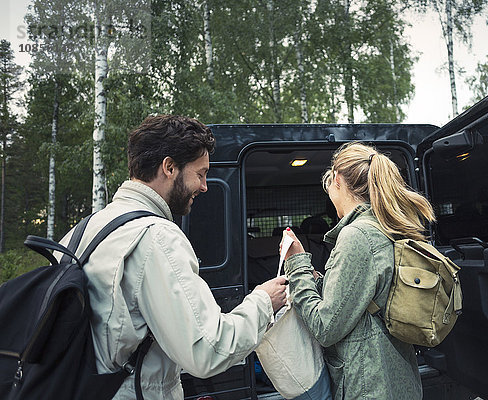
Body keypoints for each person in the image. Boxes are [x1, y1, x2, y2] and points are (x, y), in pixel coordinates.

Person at [58, 115, 288, 399]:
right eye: (200, 174)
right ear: (169, 167)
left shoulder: (83, 231)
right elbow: (208, 350)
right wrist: (264, 301)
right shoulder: (157, 237)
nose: (204, 186)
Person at [281, 142, 435, 399]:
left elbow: (325, 328)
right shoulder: (384, 226)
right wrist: (321, 281)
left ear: (338, 180)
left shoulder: (357, 236)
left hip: (369, 386)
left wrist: (297, 263)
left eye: (329, 185)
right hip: (395, 380)